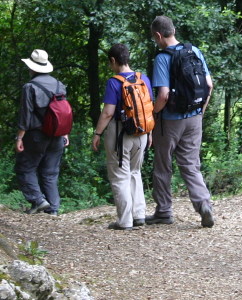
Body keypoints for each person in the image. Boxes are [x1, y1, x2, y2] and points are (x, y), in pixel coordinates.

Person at [147, 16, 214, 228]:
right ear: (173, 30)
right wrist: (200, 112)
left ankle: (164, 211)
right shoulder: (194, 51)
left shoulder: (162, 57)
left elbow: (164, 95)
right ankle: (204, 205)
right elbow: (209, 85)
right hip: (194, 117)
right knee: (191, 165)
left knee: (162, 166)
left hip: (170, 121)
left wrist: (152, 114)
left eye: (154, 38)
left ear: (158, 35)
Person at [92, 44, 151, 230]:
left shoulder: (114, 82)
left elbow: (108, 112)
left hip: (120, 134)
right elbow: (148, 109)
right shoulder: (143, 79)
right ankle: (139, 215)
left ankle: (125, 221)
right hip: (142, 133)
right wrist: (150, 133)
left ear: (113, 60)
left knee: (119, 175)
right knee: (135, 172)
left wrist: (97, 133)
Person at [15, 49, 69, 216]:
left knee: (25, 168)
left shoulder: (30, 87)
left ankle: (38, 201)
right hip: (58, 135)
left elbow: (26, 115)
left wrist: (19, 137)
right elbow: (63, 111)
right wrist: (65, 133)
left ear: (32, 68)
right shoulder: (59, 84)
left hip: (37, 135)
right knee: (50, 172)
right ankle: (53, 209)